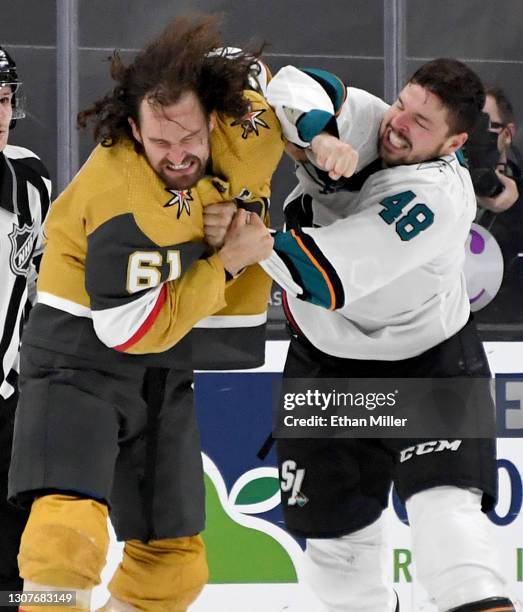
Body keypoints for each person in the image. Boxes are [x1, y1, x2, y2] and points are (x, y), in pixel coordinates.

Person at [8, 15, 281, 612]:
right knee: (66, 539)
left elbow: (286, 88)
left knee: (174, 570)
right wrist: (228, 259)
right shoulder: (119, 198)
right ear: (133, 130)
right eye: (159, 142)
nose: (178, 155)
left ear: (214, 118)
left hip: (165, 370)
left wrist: (319, 141)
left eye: (190, 139)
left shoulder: (243, 131)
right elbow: (125, 328)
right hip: (79, 363)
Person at [250, 59, 514, 611]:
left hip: (426, 366)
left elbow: (319, 276)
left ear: (455, 142)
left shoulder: (437, 197)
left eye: (422, 122)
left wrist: (239, 233)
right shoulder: (378, 120)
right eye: (403, 104)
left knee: (450, 540)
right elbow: (293, 86)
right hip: (326, 364)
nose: (399, 124)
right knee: (336, 569)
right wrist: (319, 135)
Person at [0, 46, 51, 597]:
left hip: (8, 405)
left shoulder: (30, 178)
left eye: (4, 99)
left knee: (16, 576)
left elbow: (43, 282)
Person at [473, 85, 523, 333]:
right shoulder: (436, 183)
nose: (479, 136)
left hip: (508, 330)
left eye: (488, 126)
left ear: (508, 133)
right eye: (470, 126)